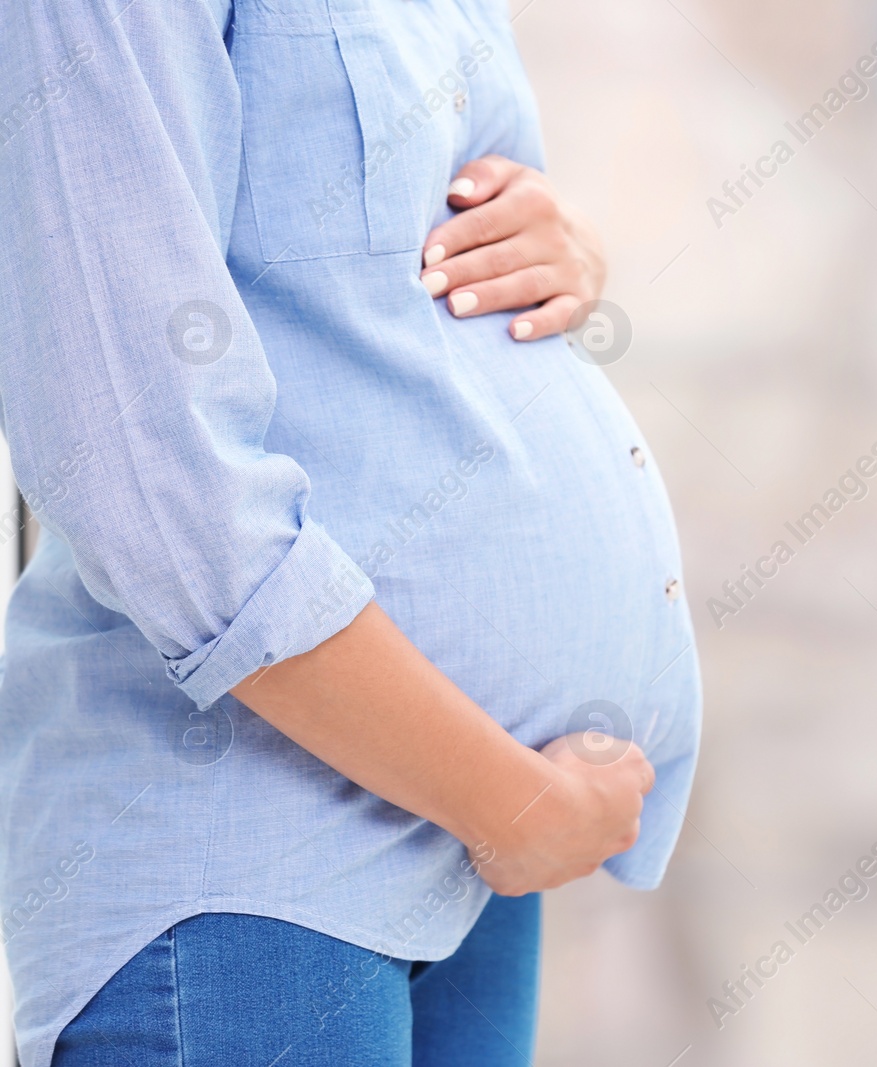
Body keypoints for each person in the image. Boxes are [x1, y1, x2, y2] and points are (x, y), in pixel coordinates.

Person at [0, 2, 702, 1064]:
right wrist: (507, 799)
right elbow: (139, 462)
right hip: (252, 866)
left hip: (466, 857)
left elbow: (409, 275)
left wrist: (562, 241)